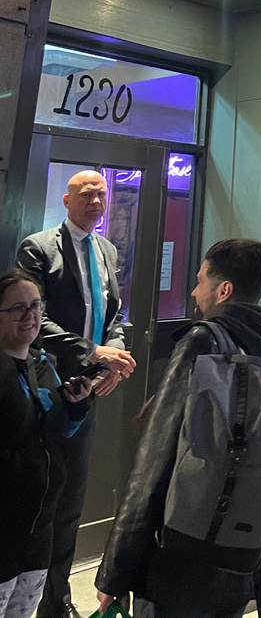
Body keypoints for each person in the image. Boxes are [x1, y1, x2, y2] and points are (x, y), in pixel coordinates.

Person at [96, 239, 261, 618]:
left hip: (177, 558)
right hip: (238, 555)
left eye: (201, 280)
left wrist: (115, 573)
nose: (193, 290)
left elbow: (154, 463)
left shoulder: (202, 341)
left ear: (224, 290)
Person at [17, 171, 138, 618]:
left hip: (88, 392)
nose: (95, 200)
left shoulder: (106, 250)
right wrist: (92, 351)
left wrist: (114, 358)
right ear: (66, 200)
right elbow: (34, 322)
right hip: (46, 391)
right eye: (86, 194)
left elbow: (116, 315)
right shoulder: (39, 247)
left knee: (71, 503)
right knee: (39, 498)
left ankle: (57, 600)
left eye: (101, 193)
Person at [0, 270, 93, 618]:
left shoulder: (42, 366)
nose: (30, 316)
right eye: (17, 309)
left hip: (38, 535)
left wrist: (76, 406)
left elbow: (55, 438)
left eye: (36, 306)